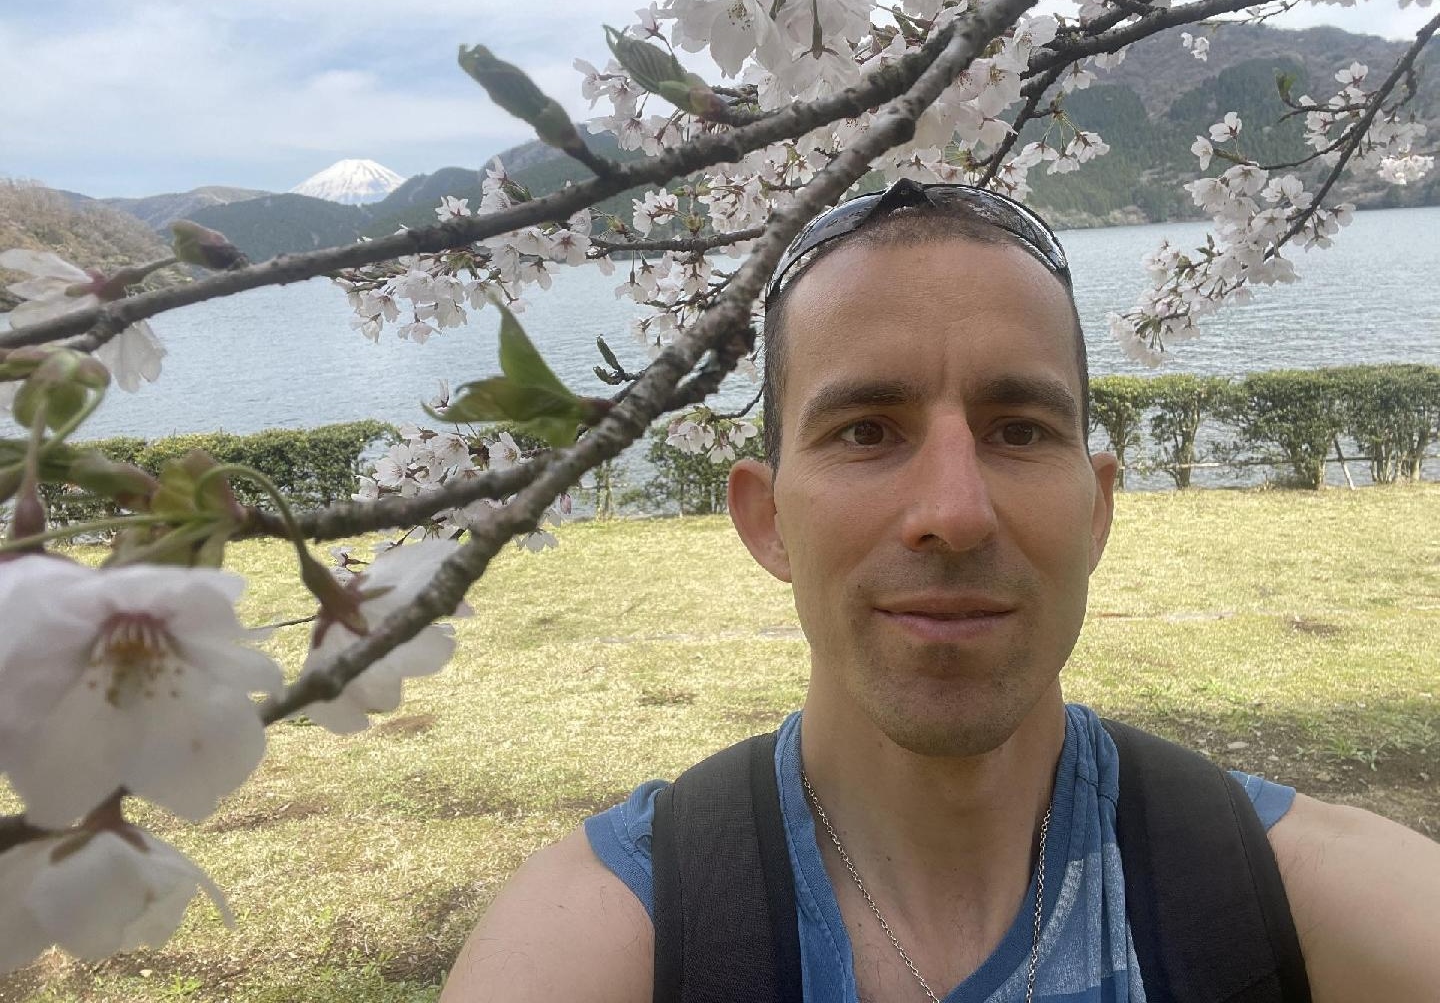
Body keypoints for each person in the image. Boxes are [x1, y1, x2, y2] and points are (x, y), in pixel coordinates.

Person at [442, 180, 1440, 1002]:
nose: (955, 514)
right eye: (866, 431)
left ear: (1096, 511)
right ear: (767, 518)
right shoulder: (607, 941)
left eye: (1019, 430)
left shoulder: (1308, 908)